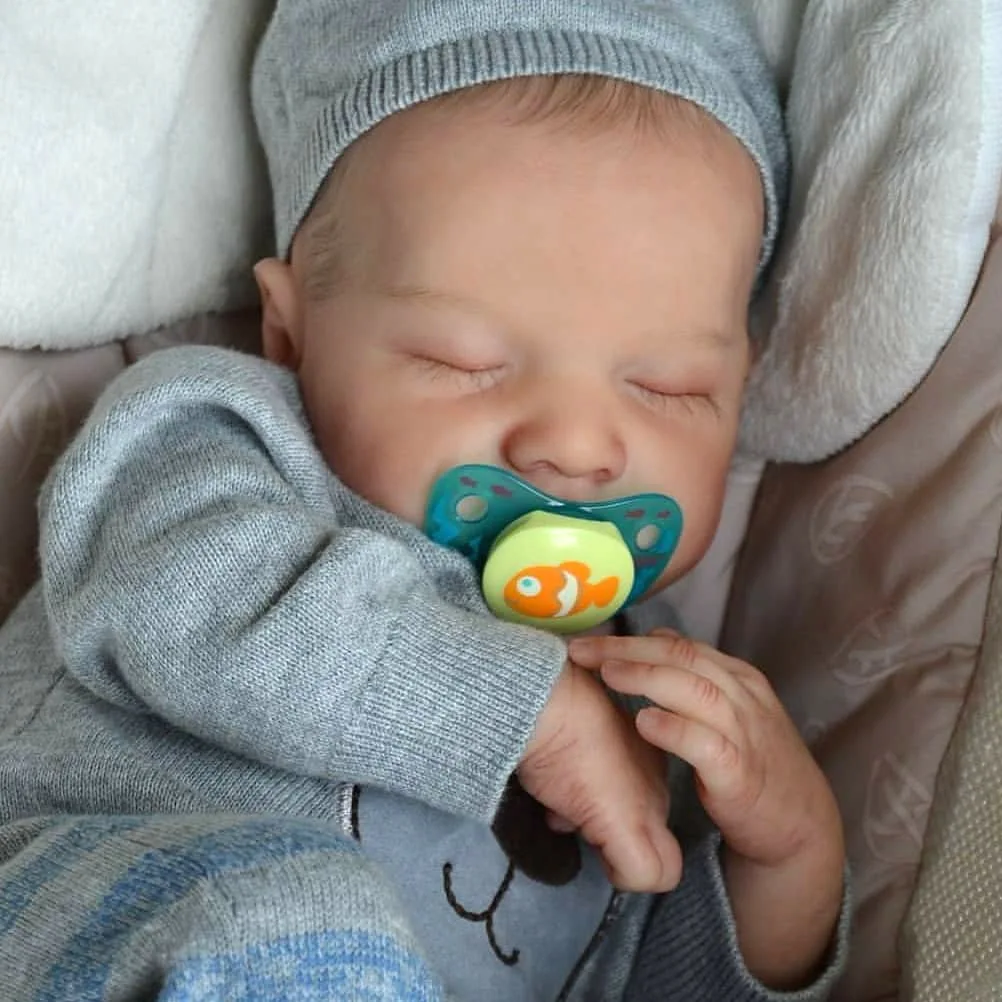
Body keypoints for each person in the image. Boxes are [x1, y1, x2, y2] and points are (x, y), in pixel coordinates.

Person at [0, 1, 849, 1000]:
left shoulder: (648, 691)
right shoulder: (221, 440)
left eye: (669, 387)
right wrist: (523, 711)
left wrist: (789, 862)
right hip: (98, 924)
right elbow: (170, 595)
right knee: (290, 915)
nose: (577, 446)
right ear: (291, 331)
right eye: (465, 361)